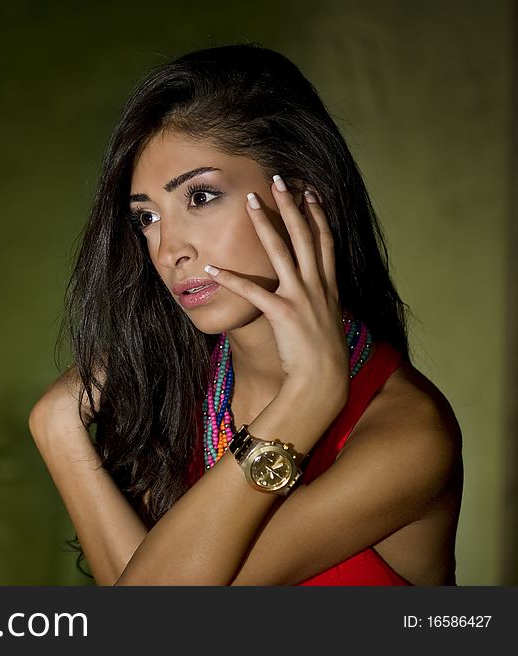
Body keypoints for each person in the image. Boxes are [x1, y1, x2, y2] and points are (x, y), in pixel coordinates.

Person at [27, 44, 462, 586]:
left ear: (301, 197)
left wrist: (308, 399)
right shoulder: (181, 403)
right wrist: (58, 429)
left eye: (202, 196)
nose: (169, 251)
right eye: (146, 217)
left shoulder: (409, 437)